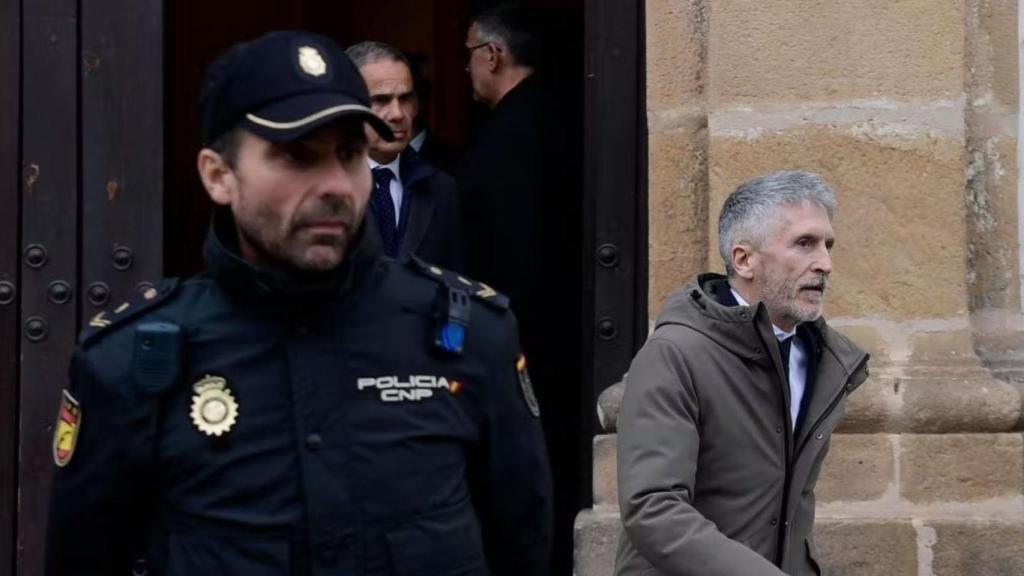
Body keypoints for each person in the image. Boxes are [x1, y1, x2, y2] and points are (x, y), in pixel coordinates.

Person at [45, 30, 552, 576]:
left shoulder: (469, 338)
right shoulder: (131, 364)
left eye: (349, 153)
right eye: (296, 156)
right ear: (219, 175)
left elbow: (521, 546)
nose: (335, 184)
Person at [614, 171, 870, 576]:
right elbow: (653, 509)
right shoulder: (675, 354)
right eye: (804, 244)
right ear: (744, 259)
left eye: (827, 245)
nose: (825, 263)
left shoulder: (823, 361)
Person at [458, 5, 581, 574]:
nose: (467, 71)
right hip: (575, 337)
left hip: (528, 344)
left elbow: (510, 255)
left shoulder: (506, 137)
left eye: (468, 56)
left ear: (493, 55)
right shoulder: (569, 117)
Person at [345, 41, 463, 271]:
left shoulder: (443, 189)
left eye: (405, 99)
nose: (398, 114)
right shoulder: (321, 188)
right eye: (381, 101)